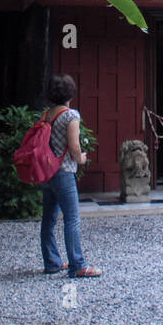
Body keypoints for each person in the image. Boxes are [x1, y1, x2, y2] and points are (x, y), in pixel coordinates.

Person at [40, 74, 102, 278]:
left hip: (47, 171)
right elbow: (74, 147)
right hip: (64, 172)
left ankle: (52, 262)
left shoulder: (47, 115)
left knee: (48, 219)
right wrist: (81, 158)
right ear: (71, 93)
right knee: (72, 219)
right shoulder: (70, 115)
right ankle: (78, 264)